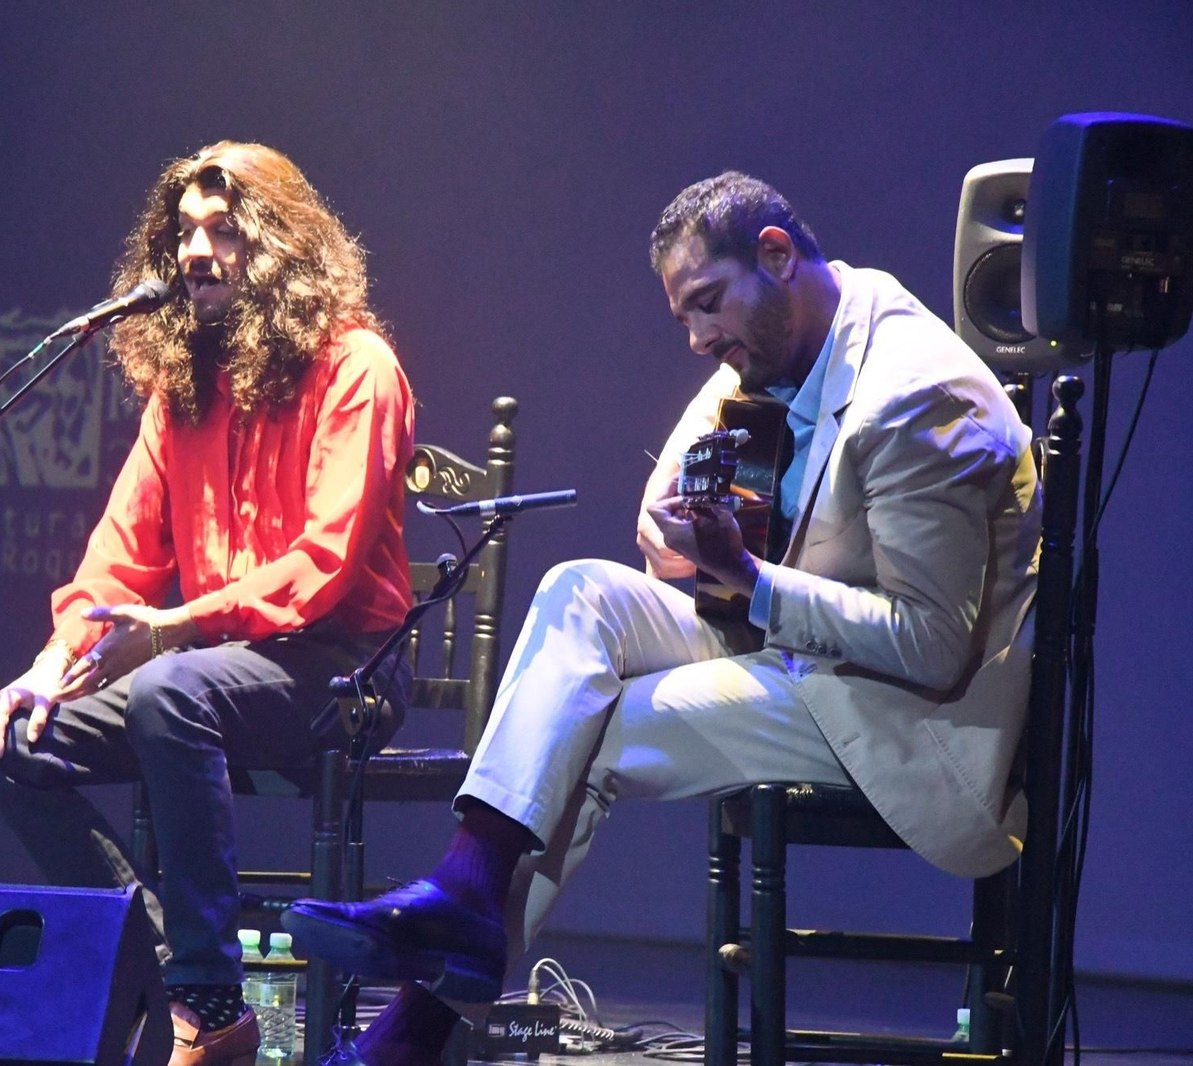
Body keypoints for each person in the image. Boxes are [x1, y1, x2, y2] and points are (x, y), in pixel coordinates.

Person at [282, 171, 1041, 1065]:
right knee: (579, 590)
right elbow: (658, 523)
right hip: (799, 650)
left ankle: (415, 1019)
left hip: (911, 719)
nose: (697, 338)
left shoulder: (912, 395)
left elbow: (933, 646)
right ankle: (461, 909)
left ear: (776, 255)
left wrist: (747, 578)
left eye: (708, 305)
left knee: (588, 732)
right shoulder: (795, 337)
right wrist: (687, 529)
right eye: (684, 316)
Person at [0, 141, 415, 1066]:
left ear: (284, 244)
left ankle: (206, 1010)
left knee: (171, 691)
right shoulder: (182, 392)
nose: (196, 253)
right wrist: (48, 670)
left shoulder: (358, 367)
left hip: (340, 667)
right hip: (215, 668)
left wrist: (168, 630)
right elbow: (113, 565)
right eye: (182, 236)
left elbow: (321, 568)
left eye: (222, 230)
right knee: (9, 738)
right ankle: (172, 975)